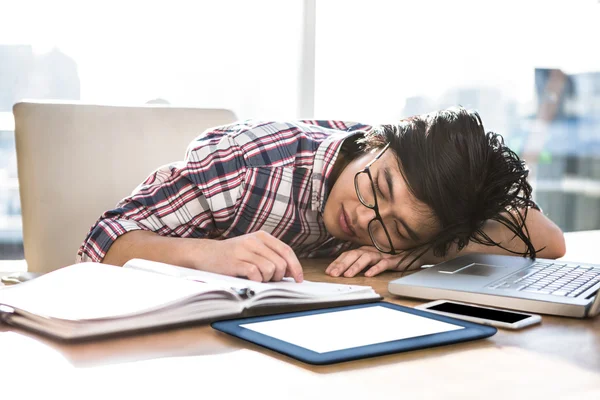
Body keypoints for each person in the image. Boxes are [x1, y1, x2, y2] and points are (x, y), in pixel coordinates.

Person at [77, 107, 566, 283]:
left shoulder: (427, 205)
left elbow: (548, 240)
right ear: (378, 140)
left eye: (394, 227)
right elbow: (99, 246)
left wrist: (417, 251)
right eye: (377, 188)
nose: (365, 218)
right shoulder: (250, 165)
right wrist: (210, 254)